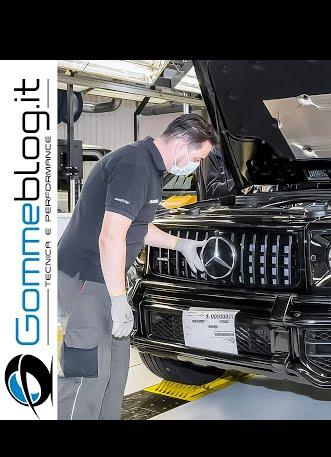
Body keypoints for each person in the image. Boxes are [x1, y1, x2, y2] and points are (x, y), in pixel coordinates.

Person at [57, 114, 216, 420]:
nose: (196, 166)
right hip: (87, 280)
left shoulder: (150, 170)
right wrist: (118, 299)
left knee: (114, 371)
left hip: (108, 280)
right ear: (182, 145)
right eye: (198, 158)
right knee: (87, 375)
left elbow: (137, 227)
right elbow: (110, 237)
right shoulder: (134, 165)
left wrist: (181, 245)